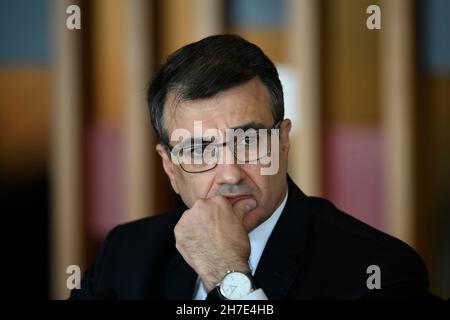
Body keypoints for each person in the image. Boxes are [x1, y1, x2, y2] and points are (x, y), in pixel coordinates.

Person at [70, 35, 429, 300]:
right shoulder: (125, 253)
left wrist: (228, 276)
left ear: (283, 140)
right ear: (169, 165)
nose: (229, 173)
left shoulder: (378, 271)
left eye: (249, 141)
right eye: (197, 148)